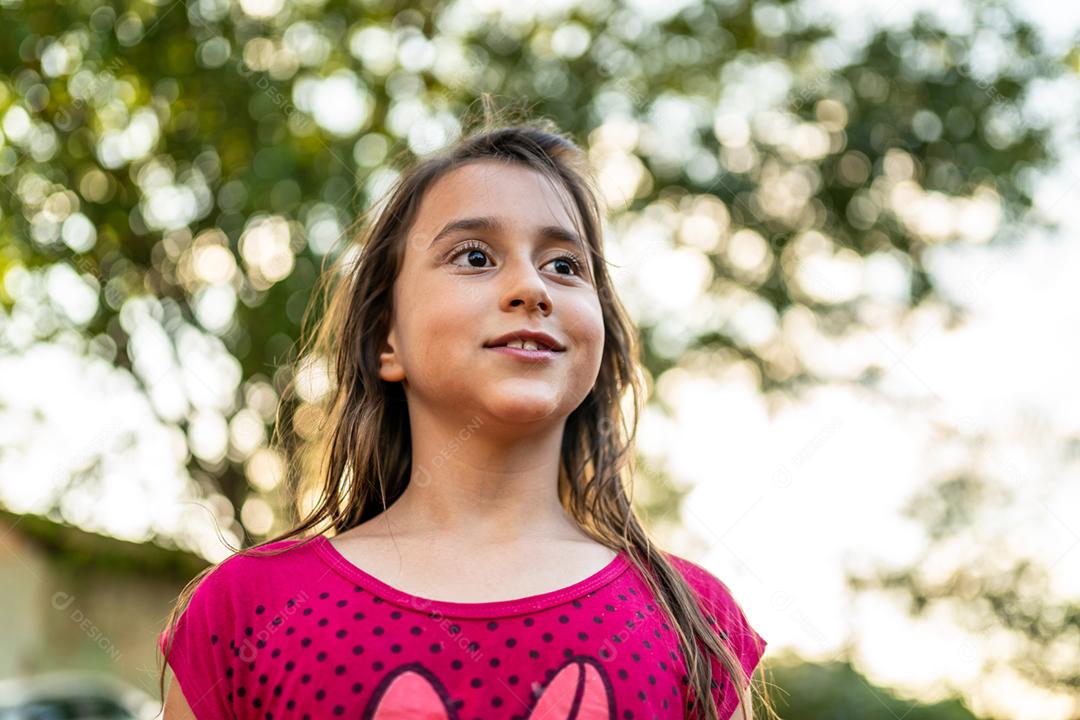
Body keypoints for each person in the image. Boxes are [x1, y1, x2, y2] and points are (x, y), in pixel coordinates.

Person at [157, 109, 775, 720]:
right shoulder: (243, 612)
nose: (531, 288)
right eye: (475, 257)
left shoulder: (695, 619)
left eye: (565, 265)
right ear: (385, 341)